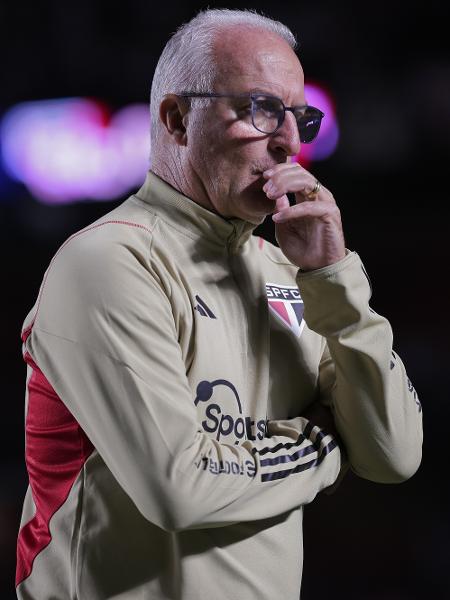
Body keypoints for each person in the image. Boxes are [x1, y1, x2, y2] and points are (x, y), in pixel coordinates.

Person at [15, 8, 423, 600]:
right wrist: (324, 445)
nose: (288, 139)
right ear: (178, 119)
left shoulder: (290, 274)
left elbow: (394, 455)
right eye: (260, 109)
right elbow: (179, 489)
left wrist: (335, 281)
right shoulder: (107, 261)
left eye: (298, 117)